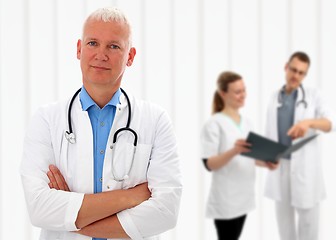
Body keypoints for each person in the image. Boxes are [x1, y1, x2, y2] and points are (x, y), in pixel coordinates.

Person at [20, 7, 182, 240]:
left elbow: (166, 212)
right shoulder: (46, 120)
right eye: (93, 43)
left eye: (114, 46)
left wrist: (70, 217)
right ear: (79, 49)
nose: (101, 54)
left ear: (131, 56)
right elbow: (39, 208)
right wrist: (131, 197)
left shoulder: (155, 121)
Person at [264, 51, 336, 240]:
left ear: (305, 75)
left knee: (308, 228)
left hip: (306, 171)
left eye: (301, 73)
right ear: (285, 67)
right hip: (280, 169)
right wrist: (267, 157)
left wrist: (308, 123)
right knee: (285, 229)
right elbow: (270, 133)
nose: (296, 75)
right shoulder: (274, 98)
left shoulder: (313, 96)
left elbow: (330, 123)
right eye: (293, 70)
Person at [200, 71, 259, 240]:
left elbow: (248, 156)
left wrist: (267, 162)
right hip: (226, 200)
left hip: (244, 196)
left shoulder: (247, 122)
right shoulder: (214, 123)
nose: (243, 95)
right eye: (237, 92)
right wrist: (234, 151)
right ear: (223, 94)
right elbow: (209, 163)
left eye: (244, 90)